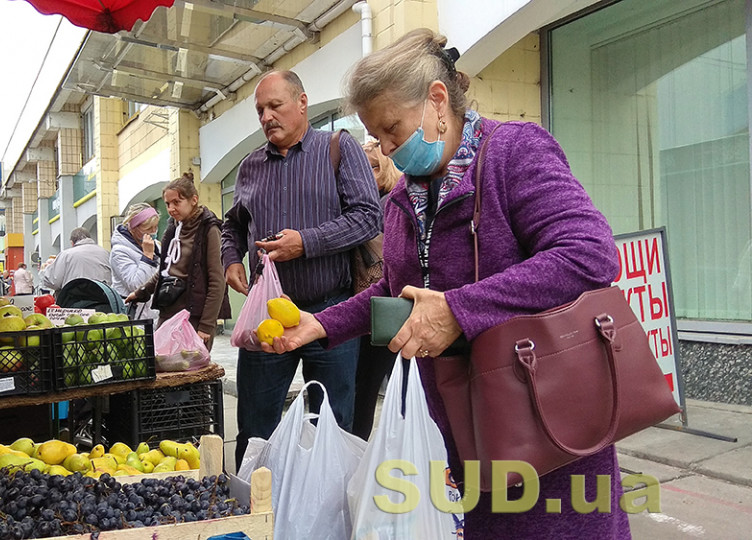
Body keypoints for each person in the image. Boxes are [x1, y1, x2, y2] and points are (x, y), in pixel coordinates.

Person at [265, 29, 628, 538]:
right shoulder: (398, 206)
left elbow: (588, 253)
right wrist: (319, 325)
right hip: (456, 423)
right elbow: (391, 293)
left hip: (545, 413)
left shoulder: (514, 154)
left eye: (393, 129)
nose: (388, 148)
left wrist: (458, 308)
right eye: (379, 136)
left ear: (438, 100)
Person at [220, 70, 382, 469]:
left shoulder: (338, 149)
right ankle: (254, 513)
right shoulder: (250, 166)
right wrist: (230, 259)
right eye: (260, 110)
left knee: (333, 426)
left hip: (331, 315)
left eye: (275, 105)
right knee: (255, 427)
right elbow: (233, 222)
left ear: (303, 102)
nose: (266, 117)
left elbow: (367, 217)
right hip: (267, 316)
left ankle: (326, 512)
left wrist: (305, 243)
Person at [128, 173, 230, 350]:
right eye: (168, 204)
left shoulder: (209, 229)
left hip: (195, 315)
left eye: (177, 202)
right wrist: (141, 292)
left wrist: (206, 325)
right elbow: (165, 272)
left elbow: (217, 281)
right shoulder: (172, 228)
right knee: (162, 365)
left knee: (192, 369)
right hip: (169, 310)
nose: (171, 208)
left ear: (194, 200)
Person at [351, 141, 401, 441]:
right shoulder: (364, 202)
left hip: (389, 308)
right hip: (367, 310)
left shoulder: (391, 202)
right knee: (366, 388)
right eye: (362, 167)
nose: (367, 173)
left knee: (384, 386)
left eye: (374, 165)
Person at [110, 203, 161, 322]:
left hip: (154, 314)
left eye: (156, 227)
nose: (153, 232)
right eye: (148, 229)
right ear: (134, 227)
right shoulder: (119, 252)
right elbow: (136, 285)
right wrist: (148, 257)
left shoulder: (156, 246)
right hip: (133, 316)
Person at [40, 227, 113, 291]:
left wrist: (43, 271)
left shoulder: (66, 254)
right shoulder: (105, 253)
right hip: (103, 298)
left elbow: (53, 281)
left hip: (75, 300)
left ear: (72, 243)